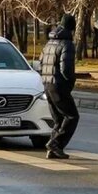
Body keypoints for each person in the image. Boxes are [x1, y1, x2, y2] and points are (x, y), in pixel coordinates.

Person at [39, 13, 79, 159]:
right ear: (71, 28)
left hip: (47, 85)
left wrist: (45, 81)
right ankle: (55, 144)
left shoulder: (49, 43)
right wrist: (69, 84)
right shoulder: (67, 44)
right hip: (59, 86)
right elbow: (66, 69)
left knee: (59, 120)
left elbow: (41, 64)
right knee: (71, 116)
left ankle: (54, 149)